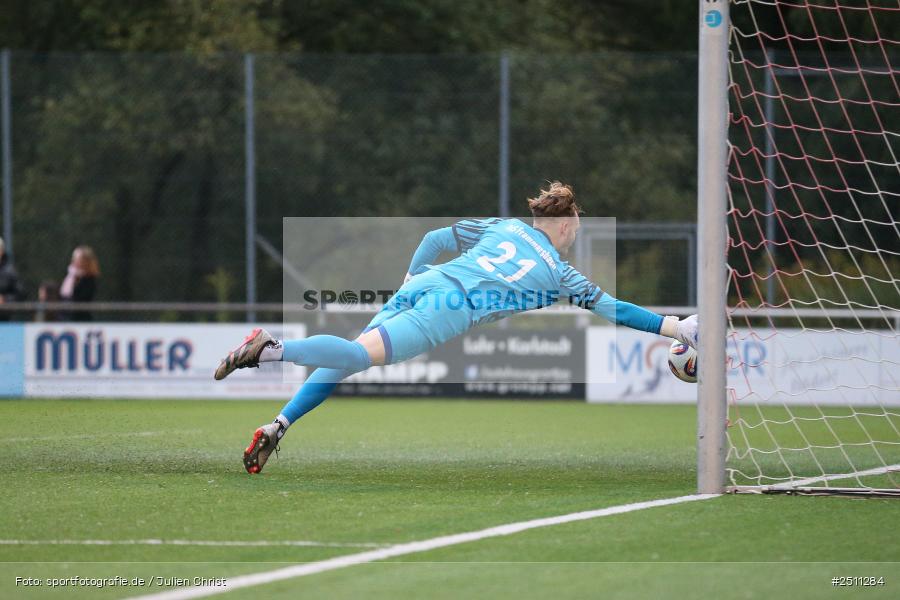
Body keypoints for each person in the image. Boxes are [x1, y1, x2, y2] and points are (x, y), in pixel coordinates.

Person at [214, 182, 699, 474]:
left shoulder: (503, 226)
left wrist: (410, 283)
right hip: (449, 308)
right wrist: (675, 327)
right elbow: (614, 309)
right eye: (578, 226)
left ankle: (278, 424)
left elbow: (432, 237)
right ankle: (271, 349)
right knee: (357, 357)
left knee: (348, 357)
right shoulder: (560, 273)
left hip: (427, 283)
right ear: (568, 225)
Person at [59, 246, 100, 321]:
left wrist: (76, 279)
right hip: (64, 317)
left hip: (79, 319)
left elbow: (79, 298)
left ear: (85, 261)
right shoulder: (70, 276)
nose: (74, 260)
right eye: (74, 258)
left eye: (77, 258)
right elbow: (63, 294)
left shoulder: (89, 279)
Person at [0, 237, 24, 321]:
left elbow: (20, 294)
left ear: (1, 251)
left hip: (5, 318)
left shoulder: (10, 272)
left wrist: (5, 299)